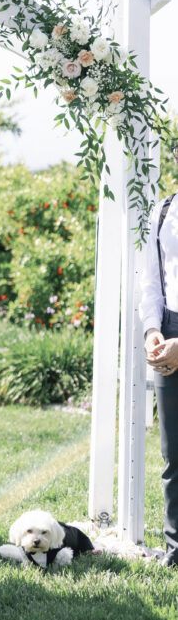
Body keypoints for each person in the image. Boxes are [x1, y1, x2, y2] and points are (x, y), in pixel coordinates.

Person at [140, 146, 178, 567]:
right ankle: (176, 552)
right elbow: (150, 280)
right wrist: (153, 330)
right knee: (174, 455)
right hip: (168, 329)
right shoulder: (164, 211)